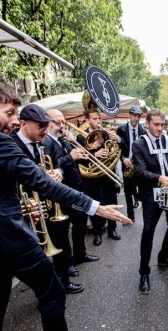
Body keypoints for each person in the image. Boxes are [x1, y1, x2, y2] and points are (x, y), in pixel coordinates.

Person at [0, 85, 132, 331]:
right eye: (9, 113)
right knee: (52, 291)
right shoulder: (5, 143)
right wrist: (95, 207)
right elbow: (41, 182)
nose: (11, 121)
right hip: (7, 233)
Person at [10, 105, 84, 294]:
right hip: (25, 206)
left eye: (46, 125)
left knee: (60, 240)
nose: (45, 130)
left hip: (50, 203)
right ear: (24, 124)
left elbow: (55, 164)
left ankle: (63, 281)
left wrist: (56, 172)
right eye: (40, 126)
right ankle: (42, 289)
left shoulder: (46, 143)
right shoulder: (10, 144)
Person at [132, 108, 168, 294]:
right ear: (147, 124)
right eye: (156, 125)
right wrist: (159, 178)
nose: (160, 128)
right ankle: (144, 273)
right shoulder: (139, 144)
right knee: (147, 231)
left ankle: (164, 256)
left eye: (163, 125)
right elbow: (140, 171)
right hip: (150, 194)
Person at [46, 109, 100, 274]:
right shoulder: (47, 142)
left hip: (76, 189)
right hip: (63, 194)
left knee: (80, 223)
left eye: (63, 121)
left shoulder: (62, 140)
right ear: (48, 123)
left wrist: (74, 145)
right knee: (63, 231)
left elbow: (75, 157)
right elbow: (50, 168)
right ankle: (67, 263)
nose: (62, 125)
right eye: (57, 122)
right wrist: (71, 156)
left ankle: (80, 253)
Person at [76, 108, 121, 246]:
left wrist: (116, 140)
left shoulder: (105, 134)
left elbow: (116, 148)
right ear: (87, 120)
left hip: (107, 173)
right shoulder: (80, 137)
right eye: (94, 119)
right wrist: (95, 155)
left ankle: (112, 229)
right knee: (96, 203)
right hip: (93, 176)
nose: (98, 121)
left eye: (99, 118)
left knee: (111, 200)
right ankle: (97, 232)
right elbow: (79, 159)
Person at [116, 106, 145, 223]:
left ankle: (144, 209)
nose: (136, 118)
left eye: (138, 116)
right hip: (127, 163)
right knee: (128, 192)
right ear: (129, 115)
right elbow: (117, 149)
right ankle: (130, 216)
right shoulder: (121, 129)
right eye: (134, 116)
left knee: (142, 187)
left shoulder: (142, 130)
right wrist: (123, 158)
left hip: (138, 163)